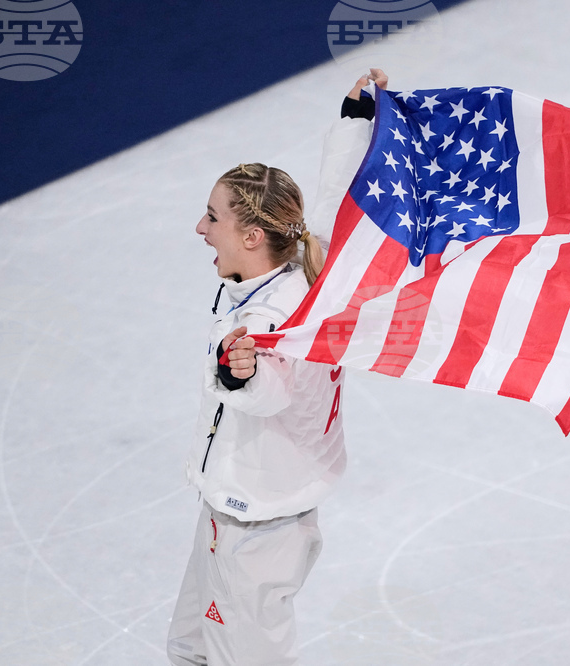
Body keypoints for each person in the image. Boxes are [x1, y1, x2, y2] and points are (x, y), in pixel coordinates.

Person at [167, 70, 388, 666]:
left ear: (253, 234)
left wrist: (242, 374)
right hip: (239, 510)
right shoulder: (304, 262)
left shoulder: (272, 322)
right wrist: (358, 123)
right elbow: (341, 202)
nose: (200, 228)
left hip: (259, 525)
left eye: (212, 217)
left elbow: (270, 390)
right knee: (190, 647)